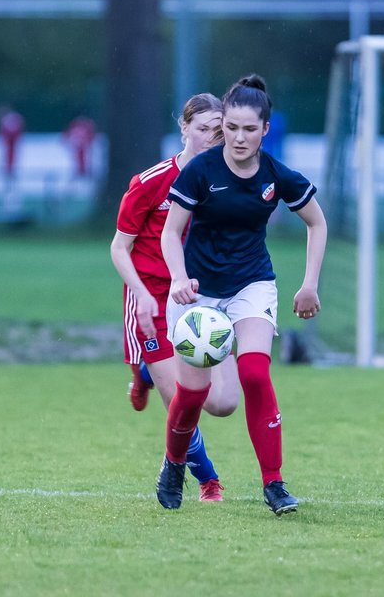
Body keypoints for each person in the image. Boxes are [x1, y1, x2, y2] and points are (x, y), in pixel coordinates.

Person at [158, 74, 327, 515]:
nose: (238, 137)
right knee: (193, 396)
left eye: (249, 129)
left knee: (254, 374)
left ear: (265, 129)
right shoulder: (201, 170)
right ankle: (174, 463)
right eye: (231, 127)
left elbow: (317, 222)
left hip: (251, 285)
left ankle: (274, 484)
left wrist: (309, 283)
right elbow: (171, 232)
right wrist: (178, 278)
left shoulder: (275, 174)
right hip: (196, 294)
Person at [110, 93, 239, 503]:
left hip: (199, 303)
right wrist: (142, 294)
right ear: (183, 128)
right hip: (151, 301)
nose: (209, 138)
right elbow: (118, 247)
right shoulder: (150, 182)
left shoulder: (224, 182)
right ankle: (207, 480)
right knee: (181, 405)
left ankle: (146, 373)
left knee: (219, 402)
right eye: (201, 129)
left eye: (217, 130)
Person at [0, 105, 25, 219]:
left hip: (11, 159)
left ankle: (11, 206)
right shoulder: (14, 122)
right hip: (12, 157)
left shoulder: (8, 123)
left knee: (10, 183)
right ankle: (12, 205)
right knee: (11, 183)